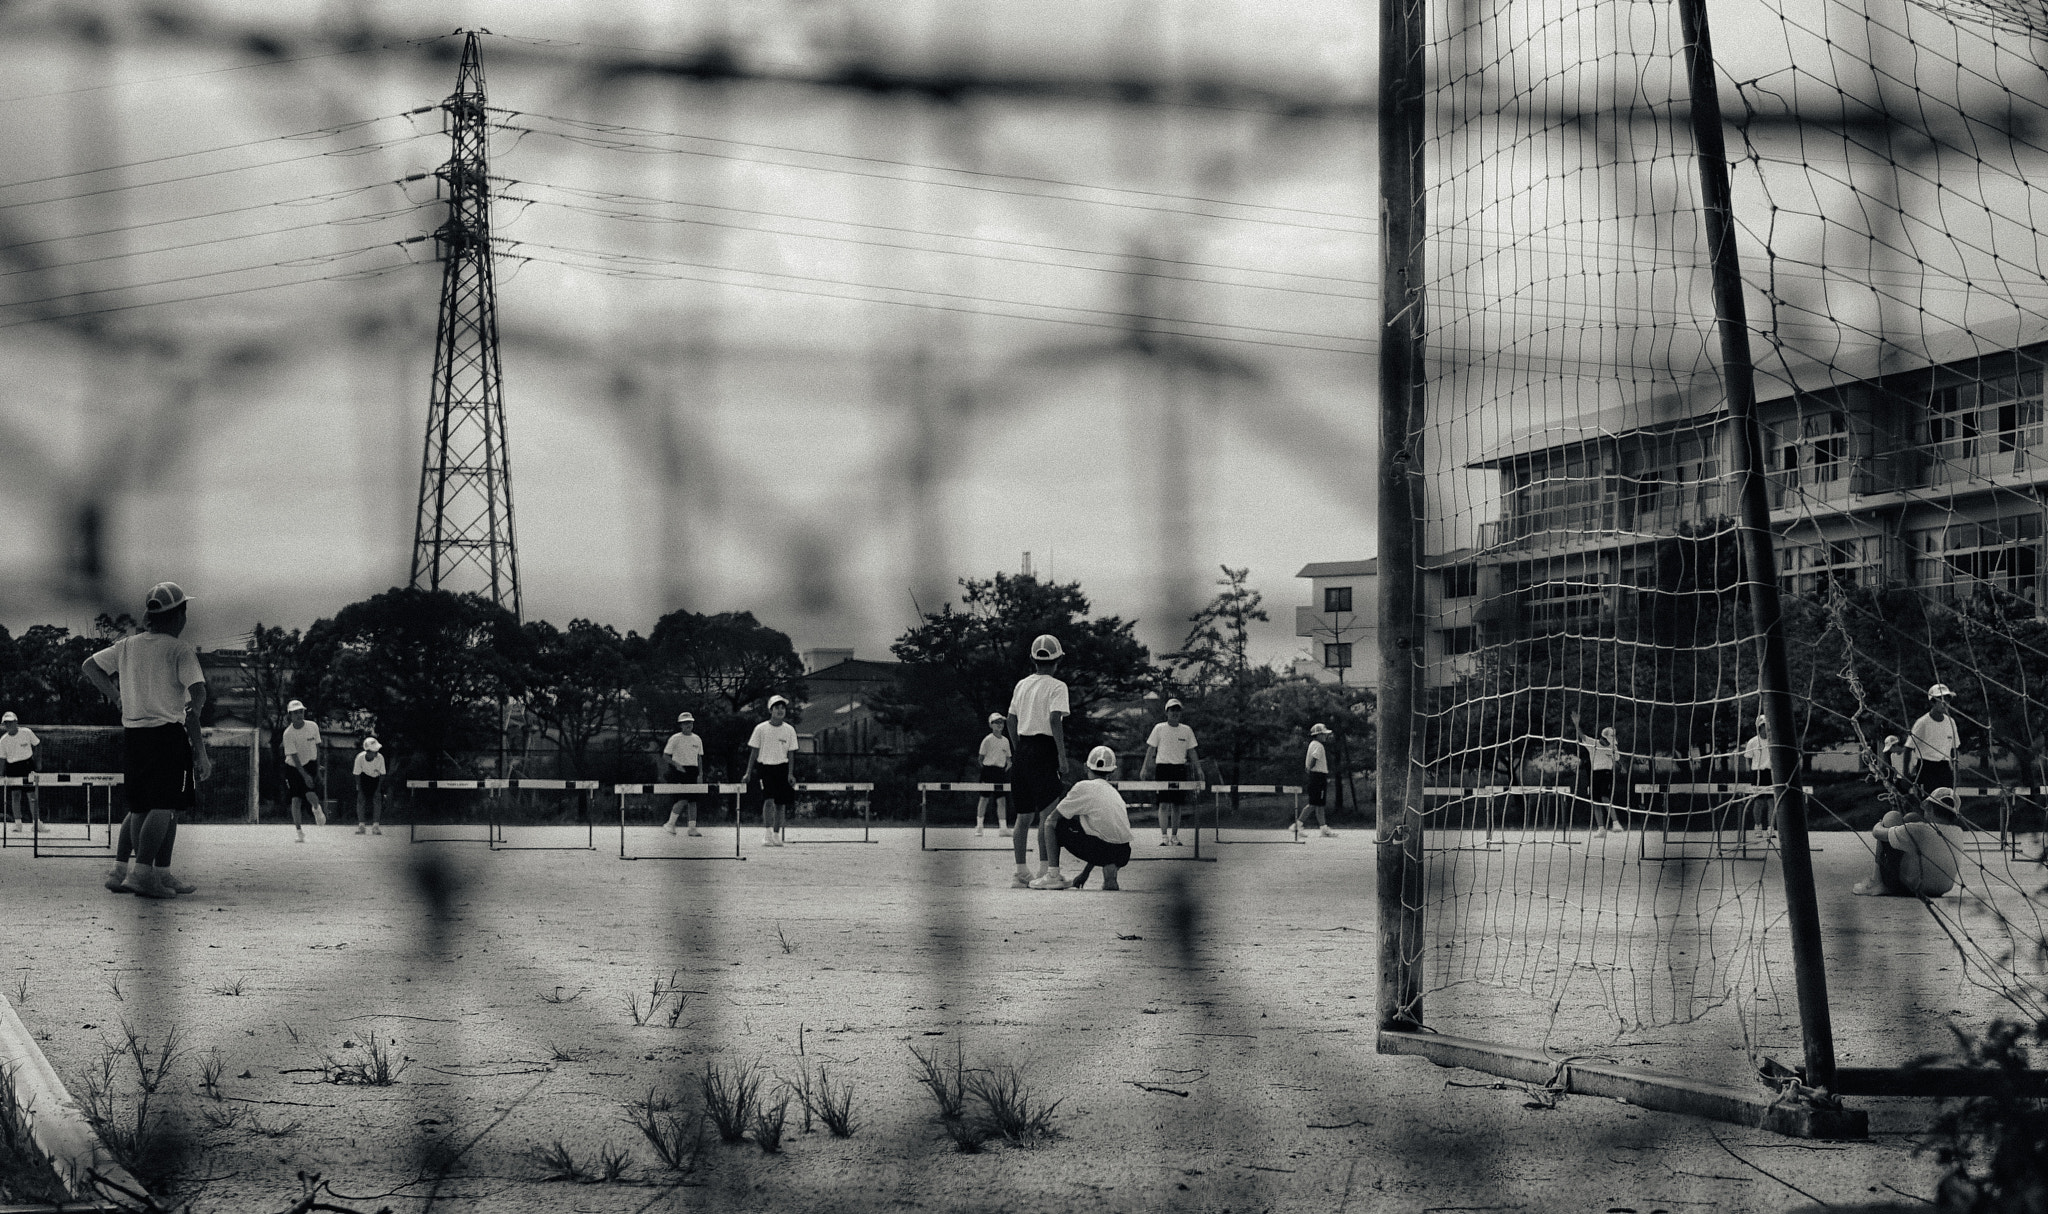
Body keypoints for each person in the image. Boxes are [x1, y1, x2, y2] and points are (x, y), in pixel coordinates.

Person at [81, 581, 211, 899]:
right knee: (165, 806)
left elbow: (90, 666)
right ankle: (143, 874)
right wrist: (200, 749)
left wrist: (115, 696)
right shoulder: (179, 650)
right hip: (166, 735)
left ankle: (153, 873)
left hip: (135, 736)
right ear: (178, 615)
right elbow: (198, 695)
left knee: (142, 807)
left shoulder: (127, 646)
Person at [1006, 634, 1071, 888]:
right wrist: (1062, 757)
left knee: (1023, 816)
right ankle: (1047, 870)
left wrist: (1017, 749)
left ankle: (1021, 872)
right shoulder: (1057, 686)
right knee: (1048, 814)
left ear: (1033, 659)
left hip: (1022, 748)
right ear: (1058, 660)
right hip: (1044, 749)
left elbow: (1011, 720)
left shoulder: (1021, 685)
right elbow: (1055, 720)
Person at [1033, 744, 1136, 891]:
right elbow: (1101, 832)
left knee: (1052, 824)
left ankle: (1053, 875)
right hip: (1123, 852)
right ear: (1112, 771)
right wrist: (1084, 874)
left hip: (1102, 849)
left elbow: (1052, 819)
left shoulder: (1083, 787)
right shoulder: (1114, 793)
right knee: (1105, 838)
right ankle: (1110, 874)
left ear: (1085, 767)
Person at [1853, 787, 1970, 898]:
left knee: (1891, 817)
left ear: (1929, 807)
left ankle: (1876, 883)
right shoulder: (1958, 832)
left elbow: (1877, 833)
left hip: (1914, 886)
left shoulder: (1918, 830)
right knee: (1911, 817)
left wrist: (1879, 823)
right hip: (1942, 889)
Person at [1142, 697, 1203, 847]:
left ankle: (1174, 836)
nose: (1174, 713)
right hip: (1163, 768)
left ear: (1180, 713)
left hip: (1179, 769)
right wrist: (1144, 768)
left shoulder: (1186, 730)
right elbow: (1151, 749)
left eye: (1177, 710)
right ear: (1167, 712)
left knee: (1177, 805)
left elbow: (1192, 751)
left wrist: (1199, 769)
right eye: (1172, 710)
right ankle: (1164, 836)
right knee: (1163, 804)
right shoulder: (1159, 728)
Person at [743, 695, 799, 847]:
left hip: (782, 768)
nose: (780, 711)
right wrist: (748, 772)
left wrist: (790, 773)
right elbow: (754, 752)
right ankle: (767, 835)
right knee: (768, 801)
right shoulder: (760, 729)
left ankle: (776, 835)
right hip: (765, 768)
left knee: (781, 804)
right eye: (777, 708)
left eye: (782, 708)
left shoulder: (789, 730)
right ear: (771, 710)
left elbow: (791, 753)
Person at [280, 699, 325, 841]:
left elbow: (318, 748)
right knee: (296, 799)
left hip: (310, 762)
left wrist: (317, 770)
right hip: (294, 766)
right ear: (290, 716)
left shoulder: (313, 726)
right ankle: (299, 832)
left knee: (310, 793)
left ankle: (316, 808)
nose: (299, 715)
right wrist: (304, 775)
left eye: (301, 712)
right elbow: (294, 756)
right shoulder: (288, 734)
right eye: (295, 713)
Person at [1908, 684, 1961, 796]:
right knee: (1927, 801)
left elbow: (1954, 749)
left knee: (1946, 800)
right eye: (1940, 700)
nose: (1945, 703)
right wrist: (1905, 774)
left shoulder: (1951, 722)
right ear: (1932, 702)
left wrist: (1956, 771)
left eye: (1947, 700)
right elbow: (1908, 748)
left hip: (1944, 767)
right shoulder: (1922, 723)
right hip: (1926, 767)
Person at [661, 712, 706, 836]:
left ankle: (692, 828)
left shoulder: (697, 739)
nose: (688, 725)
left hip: (693, 771)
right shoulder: (675, 738)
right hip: (679, 771)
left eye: (690, 722)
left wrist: (700, 774)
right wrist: (676, 765)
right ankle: (670, 824)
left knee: (693, 800)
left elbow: (699, 758)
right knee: (683, 799)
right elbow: (665, 755)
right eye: (685, 723)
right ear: (680, 725)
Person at [1293, 723, 1334, 842]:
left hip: (1316, 775)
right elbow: (1315, 758)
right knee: (1313, 803)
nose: (1326, 736)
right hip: (1318, 775)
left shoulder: (1312, 744)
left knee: (1319, 804)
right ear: (1318, 735)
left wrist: (1309, 769)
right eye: (1324, 734)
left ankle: (1323, 828)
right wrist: (1310, 768)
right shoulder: (1319, 746)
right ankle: (1298, 824)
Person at [1, 710, 39, 832]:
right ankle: (18, 824)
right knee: (15, 796)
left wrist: (38, 763)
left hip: (28, 765)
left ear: (16, 722)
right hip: (12, 768)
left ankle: (37, 823)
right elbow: (2, 759)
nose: (8, 725)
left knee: (32, 795)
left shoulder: (26, 732)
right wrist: (1, 775)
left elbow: (38, 744)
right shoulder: (3, 740)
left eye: (10, 722)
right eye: (6, 723)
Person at [974, 712, 1012, 837]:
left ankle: (1003, 828)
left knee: (1001, 800)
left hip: (1000, 772)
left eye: (1001, 722)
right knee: (984, 799)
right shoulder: (987, 740)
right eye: (997, 722)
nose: (1000, 725)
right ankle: (979, 826)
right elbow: (980, 758)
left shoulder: (1006, 741)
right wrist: (986, 770)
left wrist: (1005, 768)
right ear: (991, 725)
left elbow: (1009, 759)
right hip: (988, 771)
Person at [1743, 713, 1775, 841]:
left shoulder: (1774, 741)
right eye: (1763, 726)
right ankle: (1758, 827)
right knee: (1759, 802)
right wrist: (1754, 770)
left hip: (1771, 773)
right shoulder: (1753, 741)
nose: (1765, 728)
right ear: (1759, 727)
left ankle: (1771, 828)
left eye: (1767, 726)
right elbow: (1749, 759)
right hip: (1758, 773)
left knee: (1772, 802)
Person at [352, 737, 385, 835]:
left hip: (376, 778)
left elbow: (383, 774)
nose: (377, 752)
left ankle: (376, 826)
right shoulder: (360, 758)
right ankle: (361, 826)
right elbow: (356, 774)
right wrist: (360, 789)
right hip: (363, 778)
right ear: (368, 751)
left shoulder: (380, 758)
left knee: (377, 800)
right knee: (361, 800)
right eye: (375, 750)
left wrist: (378, 790)